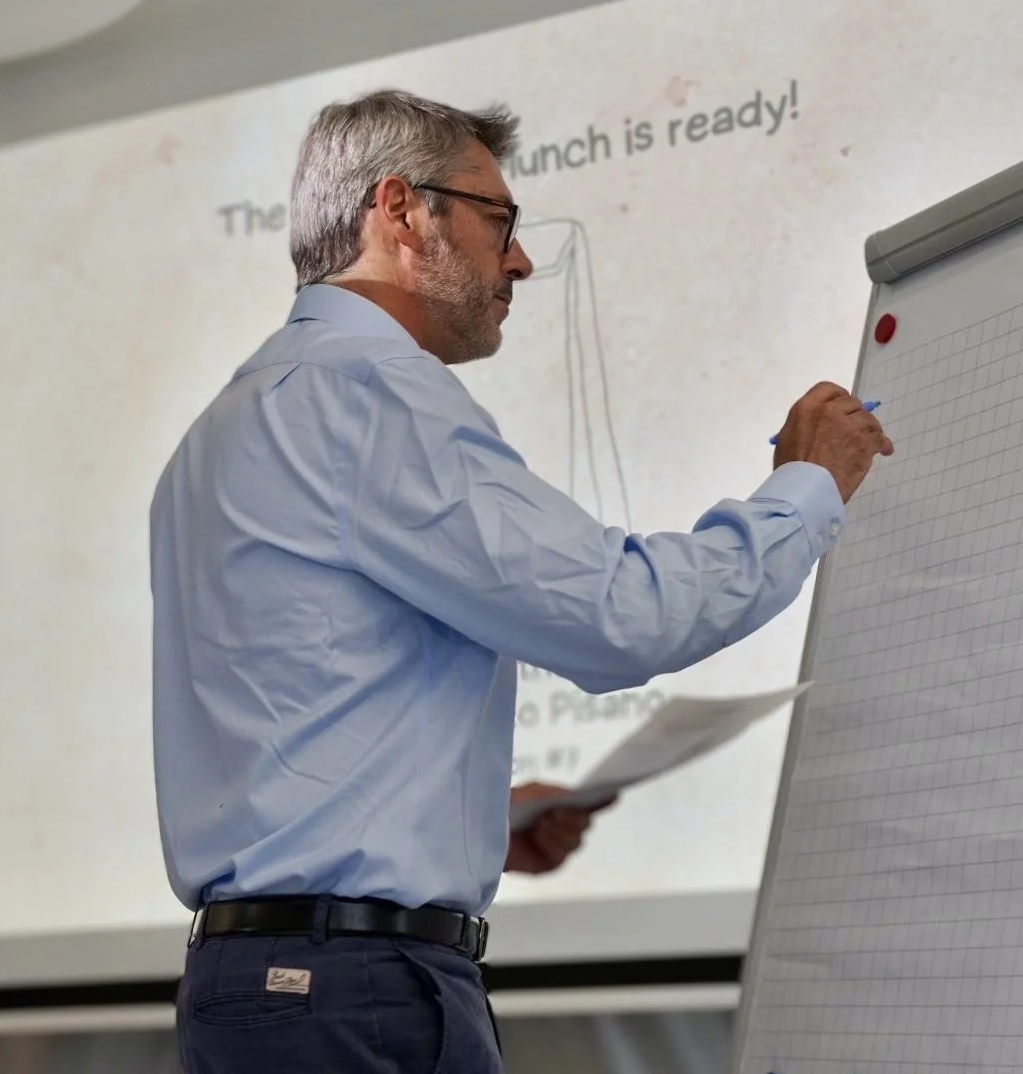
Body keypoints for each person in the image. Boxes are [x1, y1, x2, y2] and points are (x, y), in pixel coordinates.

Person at [149, 89, 893, 1074]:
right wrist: (805, 484)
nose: (522, 260)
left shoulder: (227, 424)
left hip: (279, 990)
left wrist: (481, 817)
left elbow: (291, 716)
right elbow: (622, 616)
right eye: (499, 219)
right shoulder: (365, 390)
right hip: (354, 991)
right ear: (403, 212)